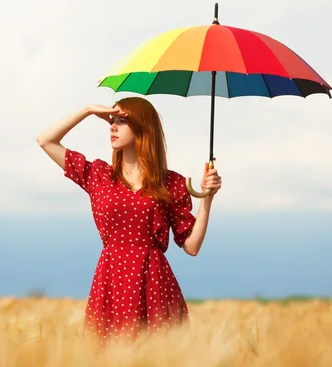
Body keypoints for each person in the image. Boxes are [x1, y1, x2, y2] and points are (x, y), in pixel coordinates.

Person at [36, 96, 222, 343]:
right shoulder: (99, 176)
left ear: (143, 127)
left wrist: (207, 198)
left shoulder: (171, 183)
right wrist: (89, 110)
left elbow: (192, 246)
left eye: (122, 121)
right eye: (111, 120)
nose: (112, 126)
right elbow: (46, 140)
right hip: (111, 282)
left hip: (154, 285)